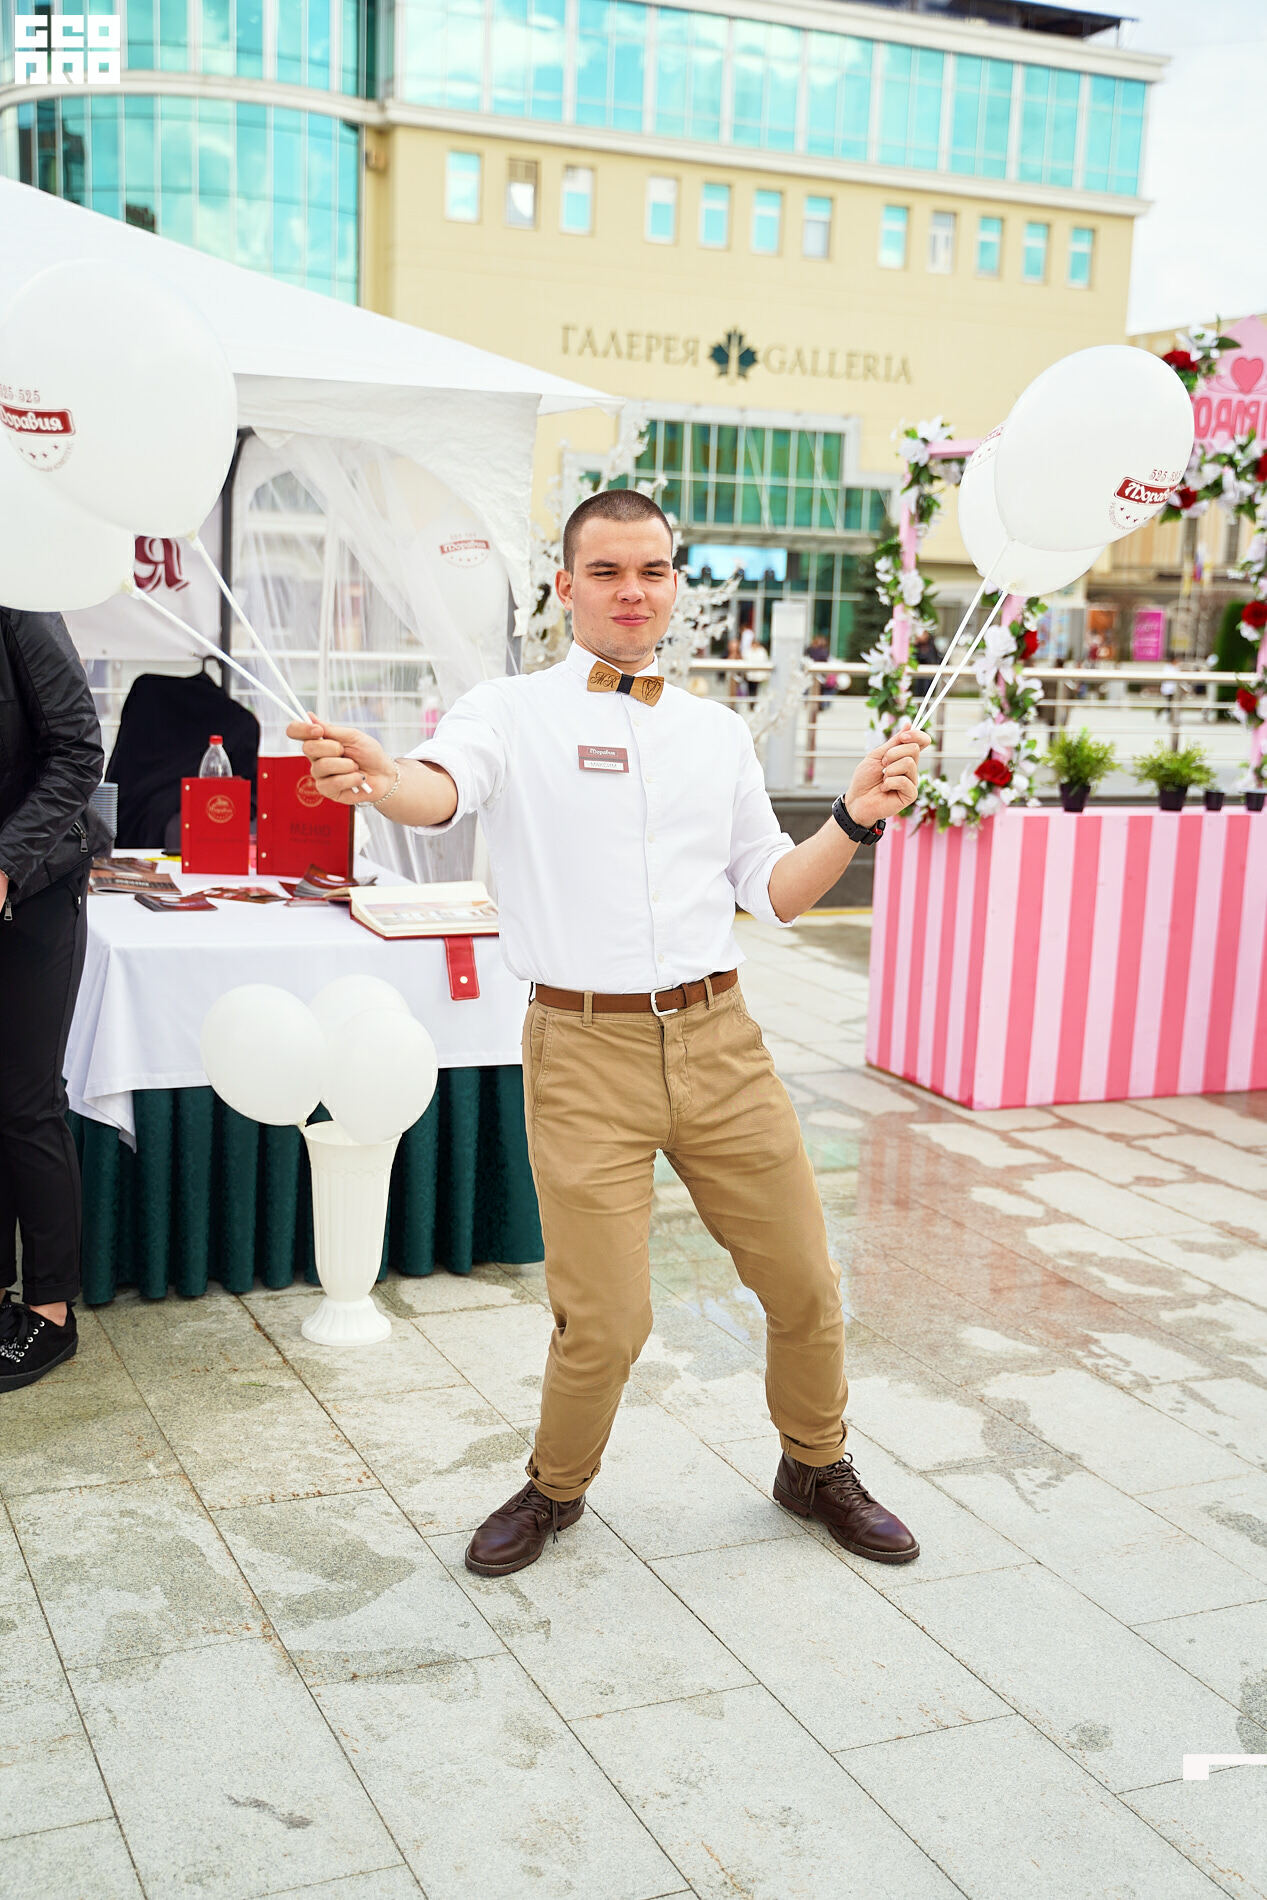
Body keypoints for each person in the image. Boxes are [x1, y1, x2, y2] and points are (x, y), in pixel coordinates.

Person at [288, 490, 930, 1578]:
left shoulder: (715, 731)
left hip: (722, 1042)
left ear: (675, 584)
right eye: (606, 572)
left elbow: (773, 891)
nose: (631, 592)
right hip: (584, 1051)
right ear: (565, 587)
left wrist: (853, 817)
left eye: (651, 571)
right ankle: (555, 1486)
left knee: (806, 1285)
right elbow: (439, 787)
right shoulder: (507, 710)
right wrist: (383, 779)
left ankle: (815, 1464)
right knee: (607, 1319)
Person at [0, 607, 111, 1392]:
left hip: (34, 890)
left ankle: (50, 1310)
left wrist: (5, 862)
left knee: (25, 1102)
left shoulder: (21, 595)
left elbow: (78, 751)